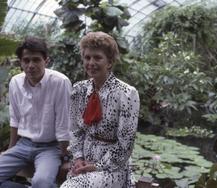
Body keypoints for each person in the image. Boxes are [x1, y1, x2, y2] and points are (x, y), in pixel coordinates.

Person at [60, 32, 140, 188]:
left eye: (97, 57)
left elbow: (126, 143)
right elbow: (75, 130)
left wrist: (96, 166)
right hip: (83, 164)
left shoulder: (126, 93)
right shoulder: (79, 90)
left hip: (112, 168)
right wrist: (78, 159)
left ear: (109, 62)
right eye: (87, 57)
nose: (91, 62)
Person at [0, 36, 72, 188]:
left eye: (36, 60)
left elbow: (63, 123)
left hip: (50, 147)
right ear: (21, 62)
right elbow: (15, 118)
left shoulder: (60, 82)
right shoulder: (15, 82)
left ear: (46, 61)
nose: (31, 65)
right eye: (26, 60)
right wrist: (10, 149)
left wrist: (66, 157)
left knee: (41, 182)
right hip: (23, 145)